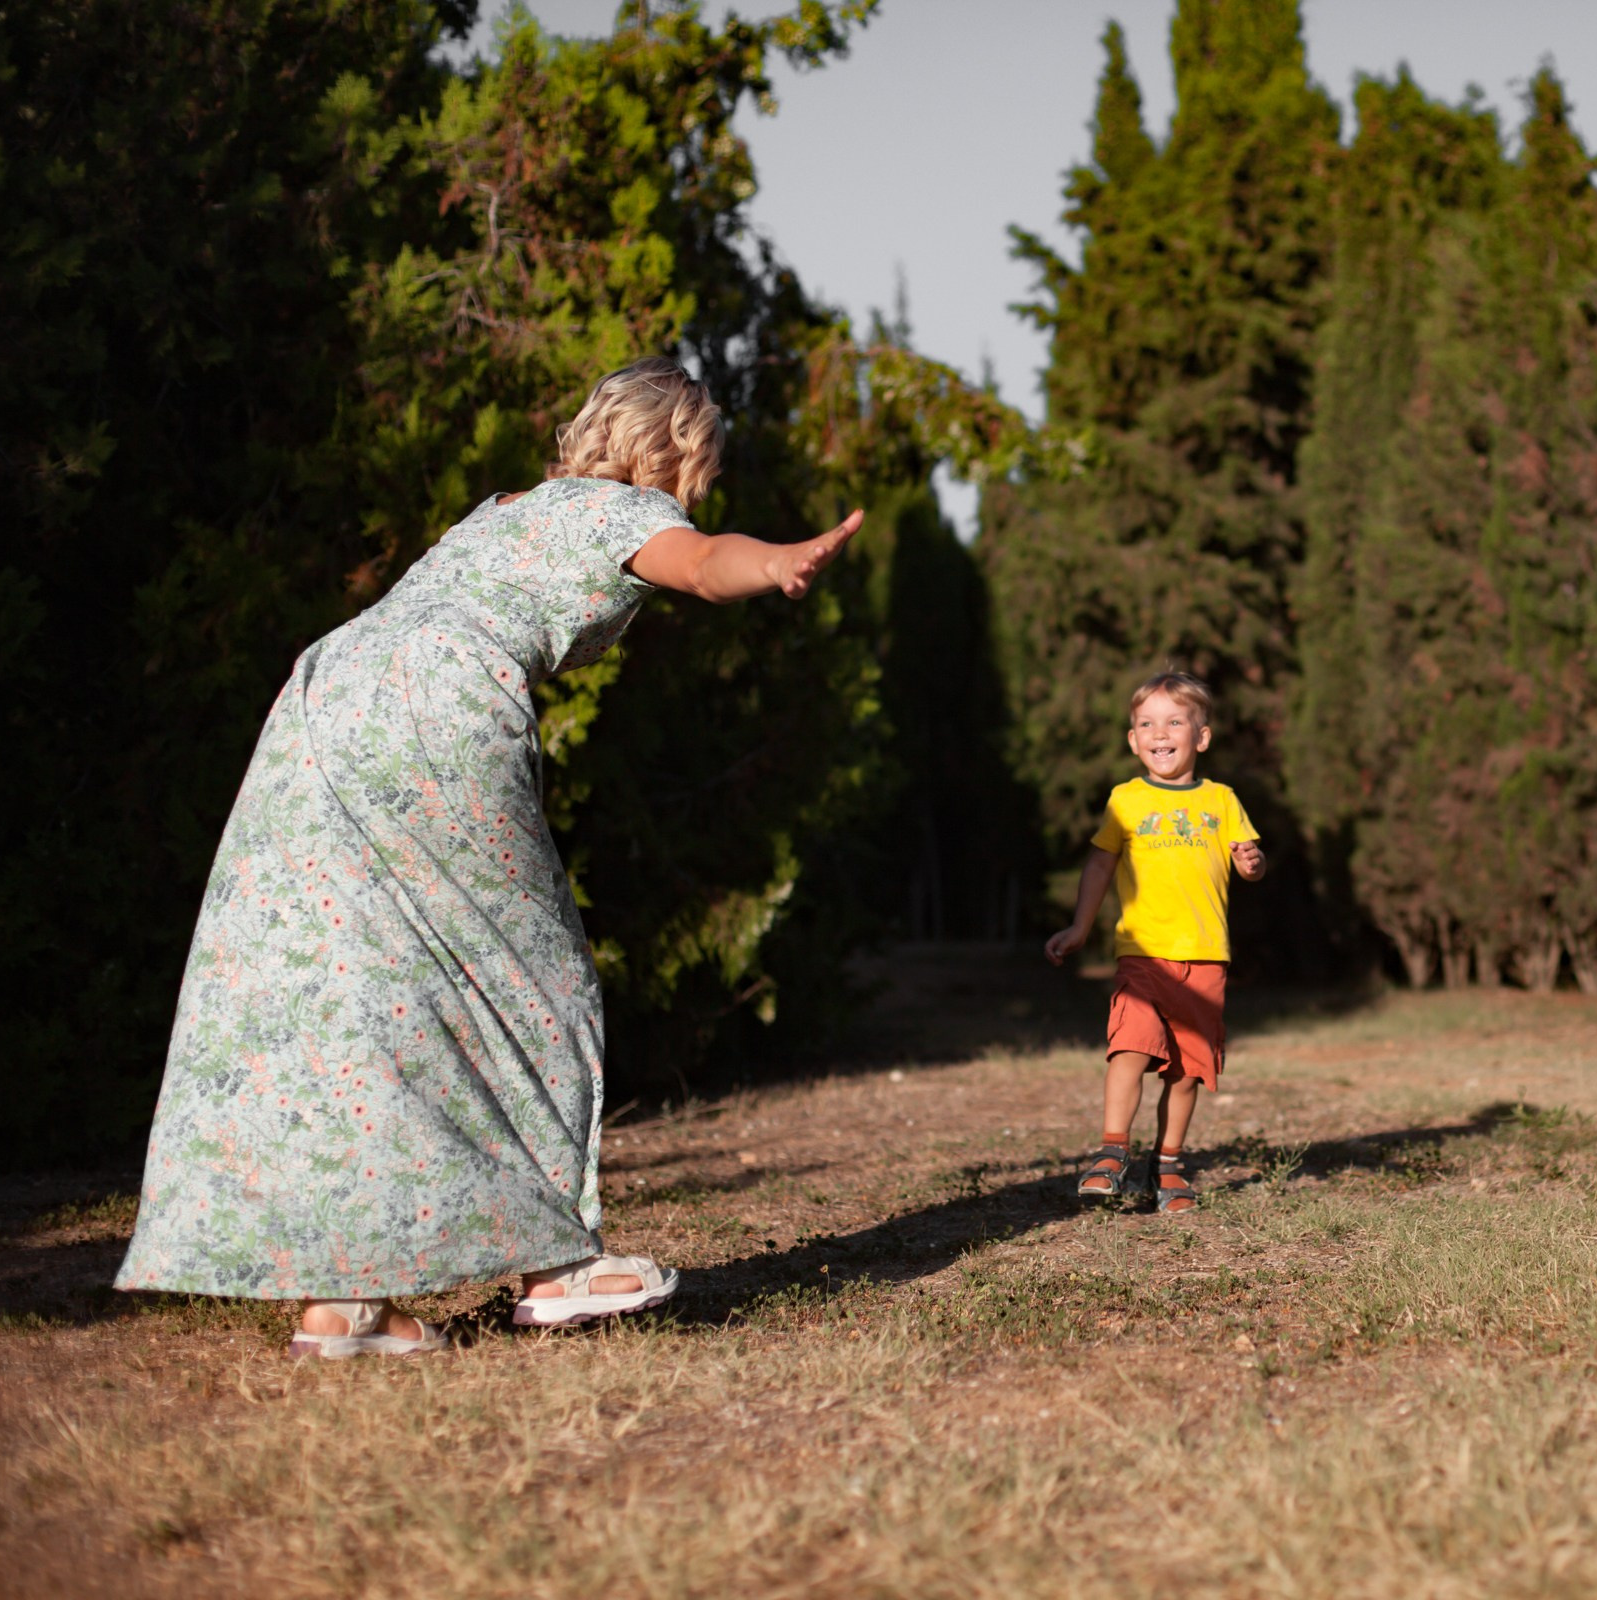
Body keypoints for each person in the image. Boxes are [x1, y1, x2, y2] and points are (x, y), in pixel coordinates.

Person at [114, 358, 863, 1358]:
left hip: (323, 690)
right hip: (439, 695)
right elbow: (704, 559)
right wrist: (773, 562)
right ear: (675, 449)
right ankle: (558, 1268)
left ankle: (343, 1305)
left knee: (359, 983)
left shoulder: (501, 510)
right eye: (703, 464)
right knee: (533, 979)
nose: (702, 487)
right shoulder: (617, 510)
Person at [1044, 672, 1266, 1215]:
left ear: (1202, 737)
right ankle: (1112, 1150)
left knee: (1188, 1071)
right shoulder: (1126, 799)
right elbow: (1100, 864)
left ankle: (1168, 1165)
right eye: (1147, 723)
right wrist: (1078, 927)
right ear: (1132, 739)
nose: (1159, 733)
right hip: (1142, 951)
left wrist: (1253, 864)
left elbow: (1250, 859)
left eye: (1173, 721)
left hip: (1206, 956)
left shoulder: (1222, 799)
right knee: (1129, 1047)